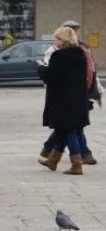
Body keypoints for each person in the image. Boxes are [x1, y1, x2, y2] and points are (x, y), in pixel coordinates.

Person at [39, 20, 100, 165]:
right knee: (64, 129)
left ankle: (77, 162)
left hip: (63, 100)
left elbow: (50, 75)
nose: (55, 41)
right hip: (78, 98)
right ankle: (52, 159)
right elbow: (90, 73)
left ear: (64, 39)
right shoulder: (81, 54)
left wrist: (40, 68)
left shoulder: (59, 56)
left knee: (70, 130)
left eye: (57, 39)